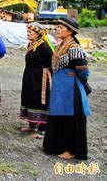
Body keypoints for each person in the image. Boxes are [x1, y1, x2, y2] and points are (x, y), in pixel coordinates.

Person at [43, 18, 90, 160]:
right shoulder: (60, 45)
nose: (57, 29)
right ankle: (56, 146)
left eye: (60, 27)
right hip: (60, 88)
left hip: (70, 88)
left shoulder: (74, 48)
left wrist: (75, 77)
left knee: (70, 117)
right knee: (59, 115)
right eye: (57, 27)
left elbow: (83, 70)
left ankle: (71, 150)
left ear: (70, 31)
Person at [20, 22, 54, 139]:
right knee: (29, 97)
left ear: (38, 34)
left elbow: (51, 63)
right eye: (28, 32)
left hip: (41, 78)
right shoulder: (31, 44)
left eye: (30, 32)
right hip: (30, 76)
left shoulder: (44, 46)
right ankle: (32, 124)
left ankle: (42, 130)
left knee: (41, 100)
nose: (28, 34)